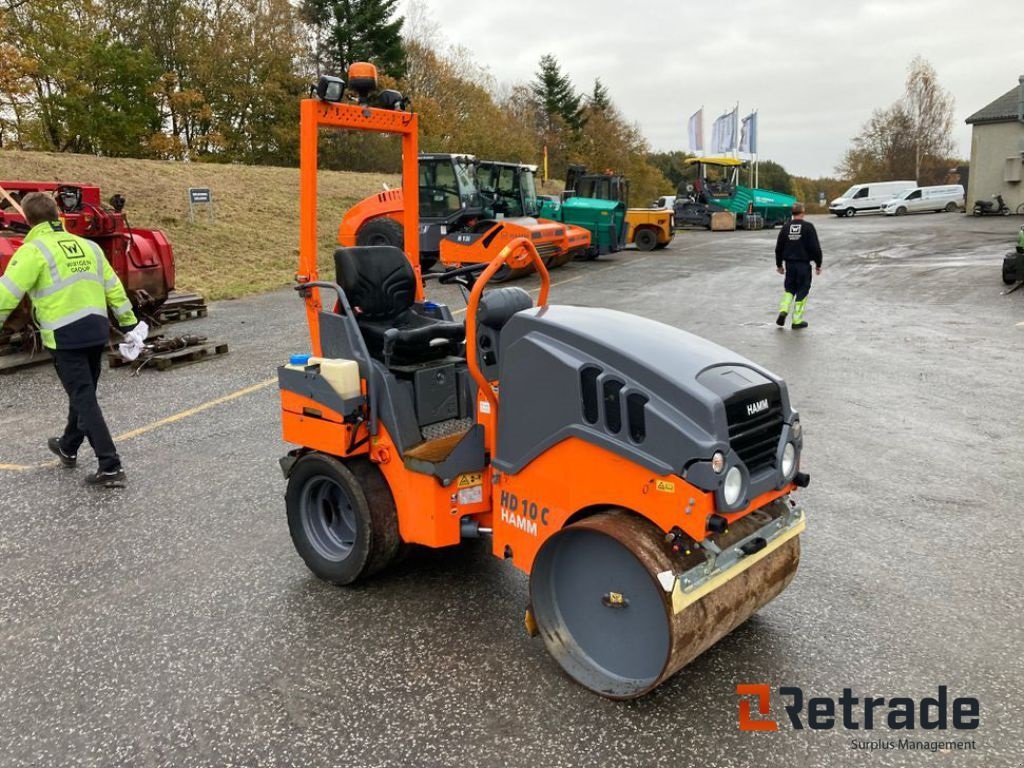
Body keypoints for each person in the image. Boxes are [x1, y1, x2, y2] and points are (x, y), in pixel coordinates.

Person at [0, 192, 137, 487]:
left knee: (84, 398)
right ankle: (68, 445)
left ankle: (110, 465)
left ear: (28, 219)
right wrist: (130, 325)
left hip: (65, 336)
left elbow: (6, 294)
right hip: (96, 331)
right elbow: (113, 287)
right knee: (82, 392)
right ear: (56, 215)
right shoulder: (88, 246)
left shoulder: (33, 250)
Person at [775, 202, 823, 329]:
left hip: (789, 265)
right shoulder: (808, 227)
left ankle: (783, 310)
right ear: (803, 212)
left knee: (789, 289)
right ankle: (796, 321)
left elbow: (779, 248)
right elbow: (815, 248)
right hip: (803, 265)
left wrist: (779, 265)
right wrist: (818, 264)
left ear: (792, 213)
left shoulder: (785, 227)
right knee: (802, 290)